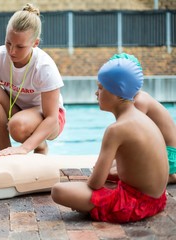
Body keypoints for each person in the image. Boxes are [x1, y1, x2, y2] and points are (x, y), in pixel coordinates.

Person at [51, 57, 169, 223]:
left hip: (134, 205)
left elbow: (95, 184)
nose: (96, 93)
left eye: (101, 88)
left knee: (58, 191)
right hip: (157, 200)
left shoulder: (116, 129)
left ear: (118, 92)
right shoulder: (143, 119)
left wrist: (82, 195)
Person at [0, 3, 66, 156]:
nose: (11, 51)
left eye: (20, 47)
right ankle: (6, 153)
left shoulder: (44, 66)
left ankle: (40, 145)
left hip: (48, 118)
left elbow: (51, 119)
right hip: (15, 109)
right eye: (8, 43)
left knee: (17, 126)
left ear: (35, 43)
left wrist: (24, 148)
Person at [108, 53, 176, 184]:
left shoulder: (139, 101)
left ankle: (169, 175)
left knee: (113, 173)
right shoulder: (133, 99)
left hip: (168, 155)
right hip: (159, 151)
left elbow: (128, 138)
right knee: (110, 168)